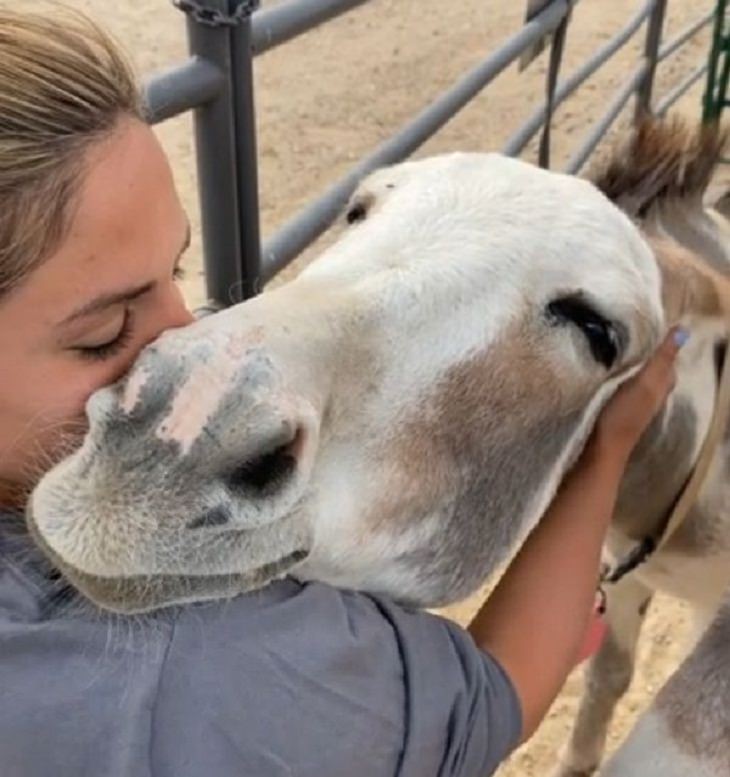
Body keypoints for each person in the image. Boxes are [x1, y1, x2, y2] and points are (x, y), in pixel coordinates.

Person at [0, 8, 684, 777]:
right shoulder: (214, 669)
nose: (184, 338)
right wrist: (609, 448)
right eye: (102, 333)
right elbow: (497, 693)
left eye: (178, 272)